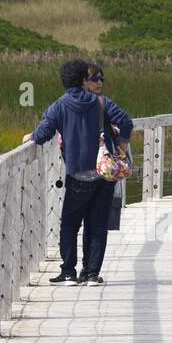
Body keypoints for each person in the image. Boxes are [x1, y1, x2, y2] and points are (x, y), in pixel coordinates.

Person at [24, 59, 132, 286]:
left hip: (78, 175)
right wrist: (122, 145)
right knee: (97, 224)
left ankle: (68, 273)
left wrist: (30, 138)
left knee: (70, 224)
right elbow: (127, 122)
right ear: (84, 79)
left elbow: (43, 133)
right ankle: (91, 274)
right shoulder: (101, 102)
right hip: (104, 174)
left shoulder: (59, 106)